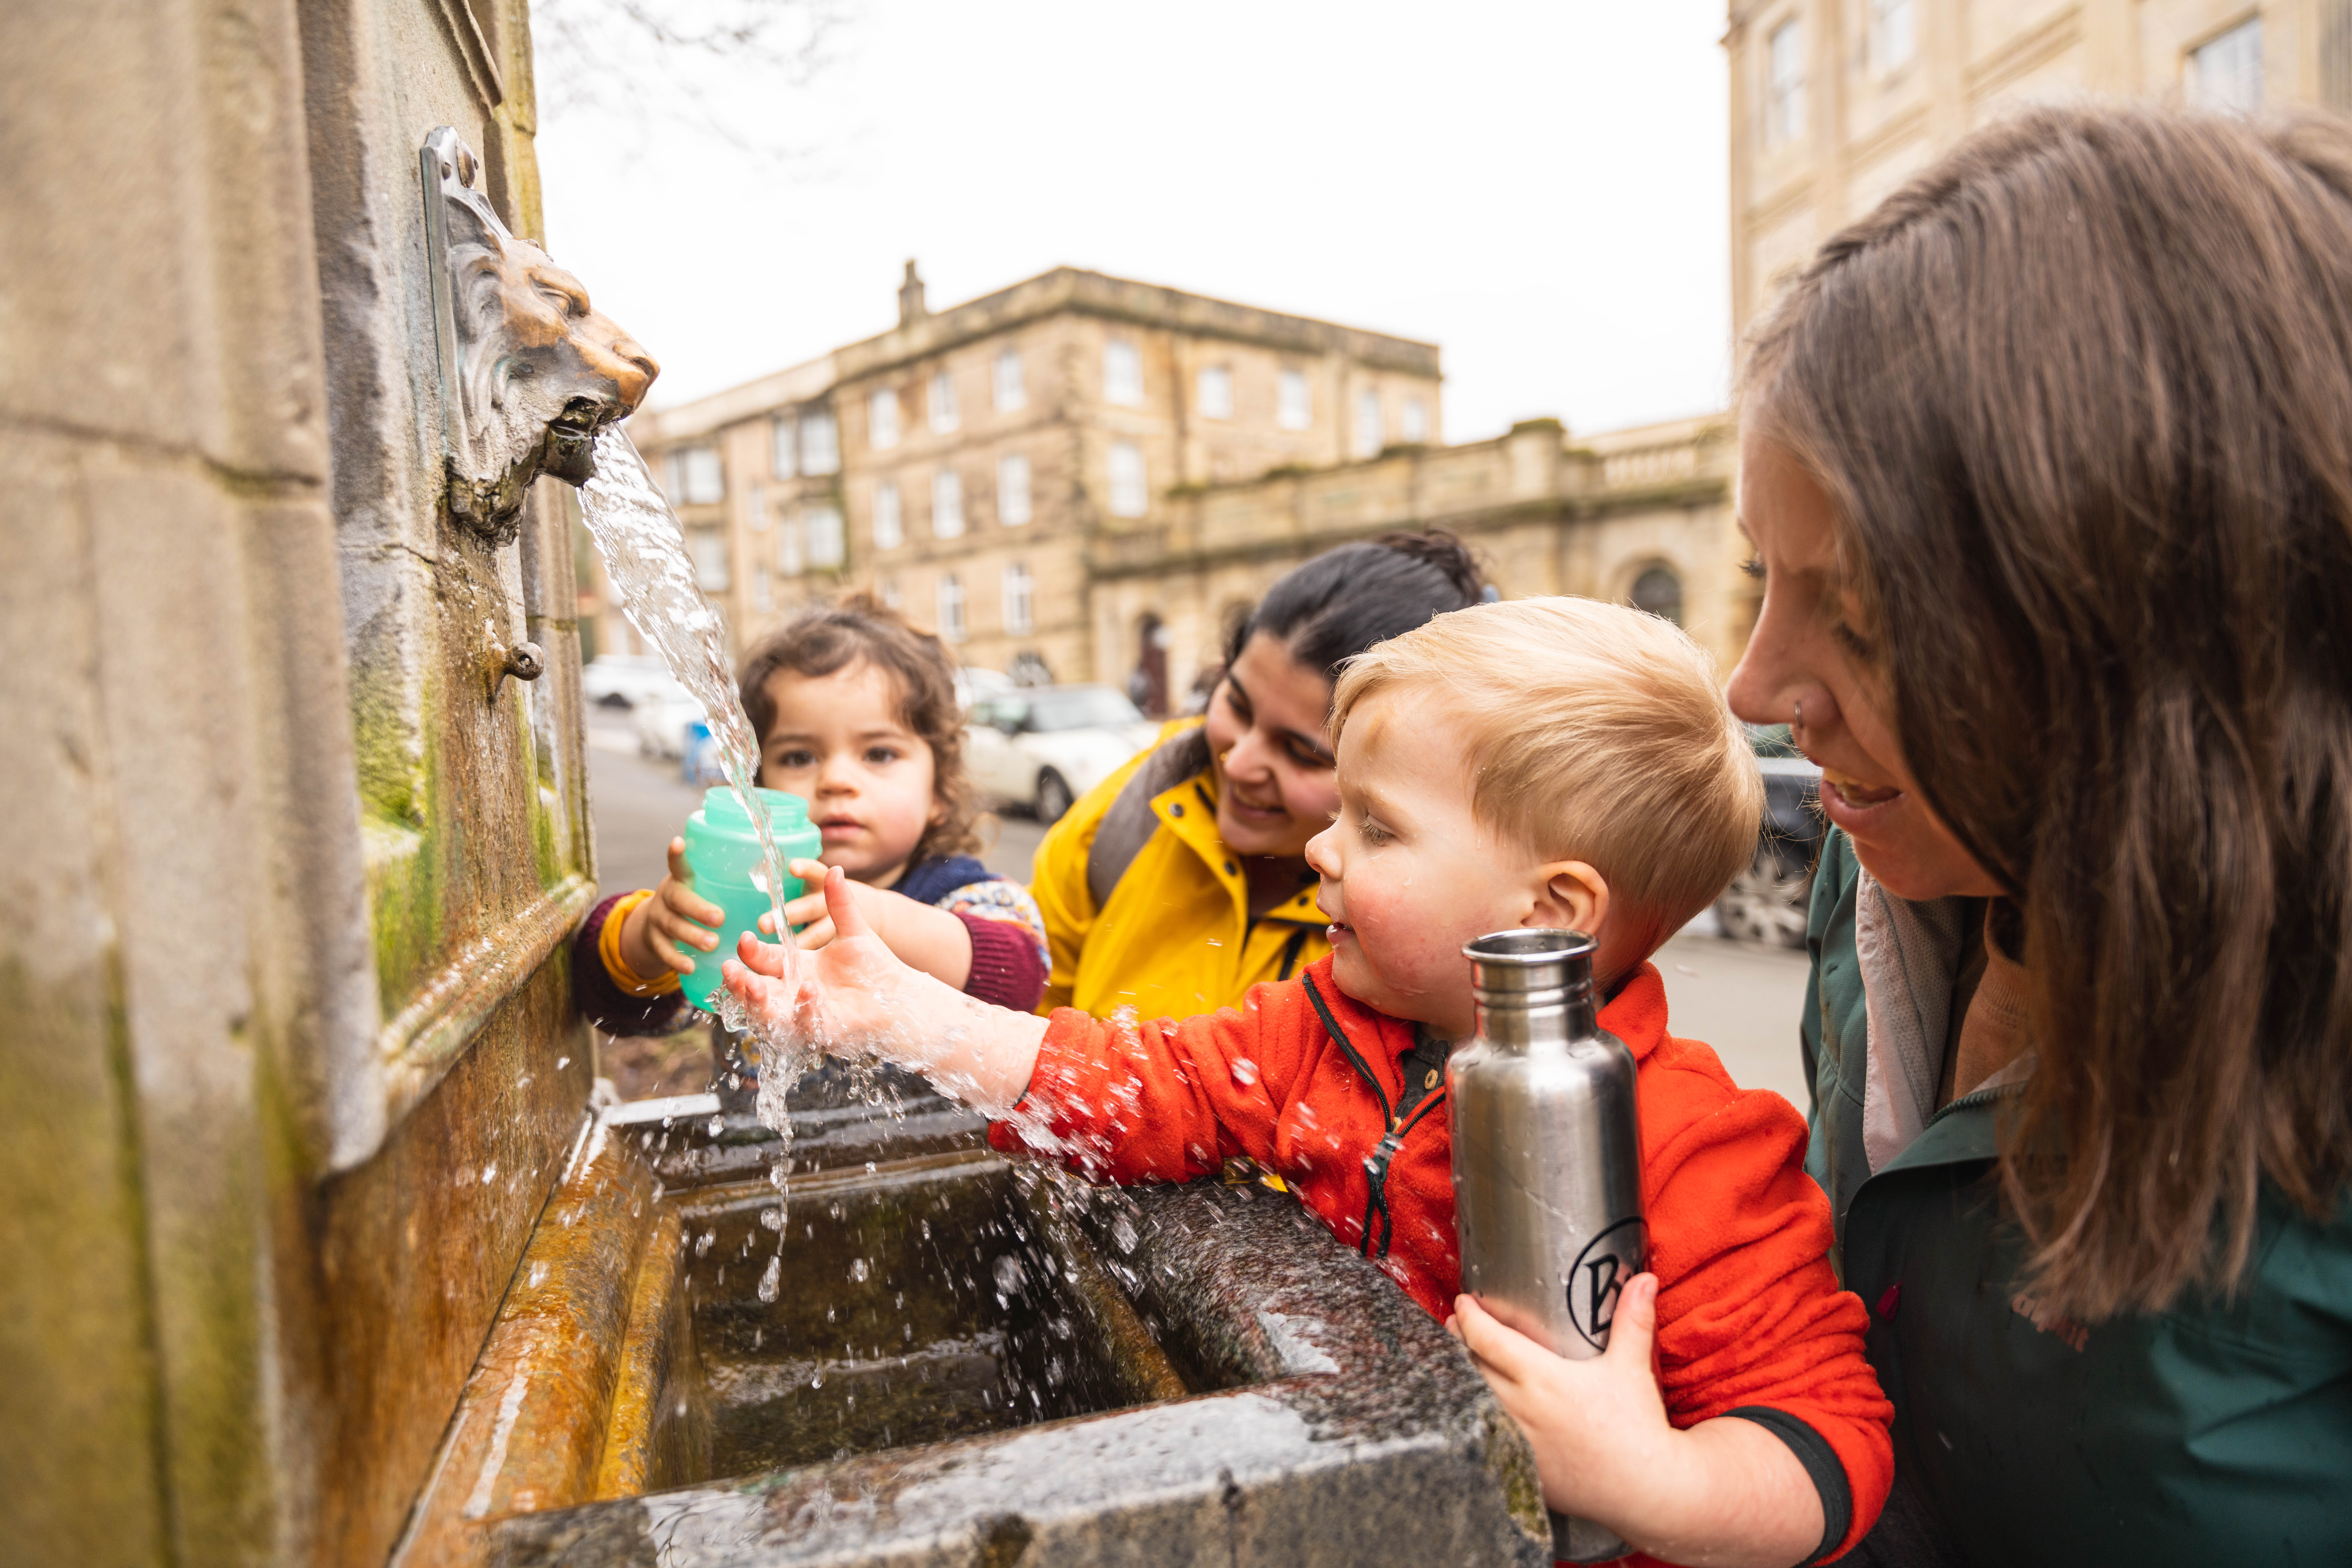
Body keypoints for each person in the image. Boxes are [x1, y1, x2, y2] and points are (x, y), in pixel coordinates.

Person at [725, 597, 1897, 1568]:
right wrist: (910, 1013)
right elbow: (1134, 1087)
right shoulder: (1314, 1029)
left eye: (1376, 828)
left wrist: (1655, 1478)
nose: (1324, 849)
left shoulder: (1693, 1143)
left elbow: (1826, 1442)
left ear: (1547, 911)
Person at [1728, 104, 2352, 1566]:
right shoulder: (1881, 862)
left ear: (2152, 627)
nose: (1752, 687)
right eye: (1763, 579)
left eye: (1865, 616)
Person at [1030, 532, 1484, 1021]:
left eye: (1300, 753)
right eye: (1238, 706)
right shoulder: (1122, 817)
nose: (1241, 763)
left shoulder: (1432, 940)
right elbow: (1024, 1029)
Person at [574, 594, 1049, 1048]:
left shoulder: (968, 895)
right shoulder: (751, 905)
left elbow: (1022, 982)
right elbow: (612, 1010)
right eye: (800, 757)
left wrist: (878, 917)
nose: (836, 780)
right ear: (755, 788)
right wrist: (649, 936)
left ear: (940, 791)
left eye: (879, 754)